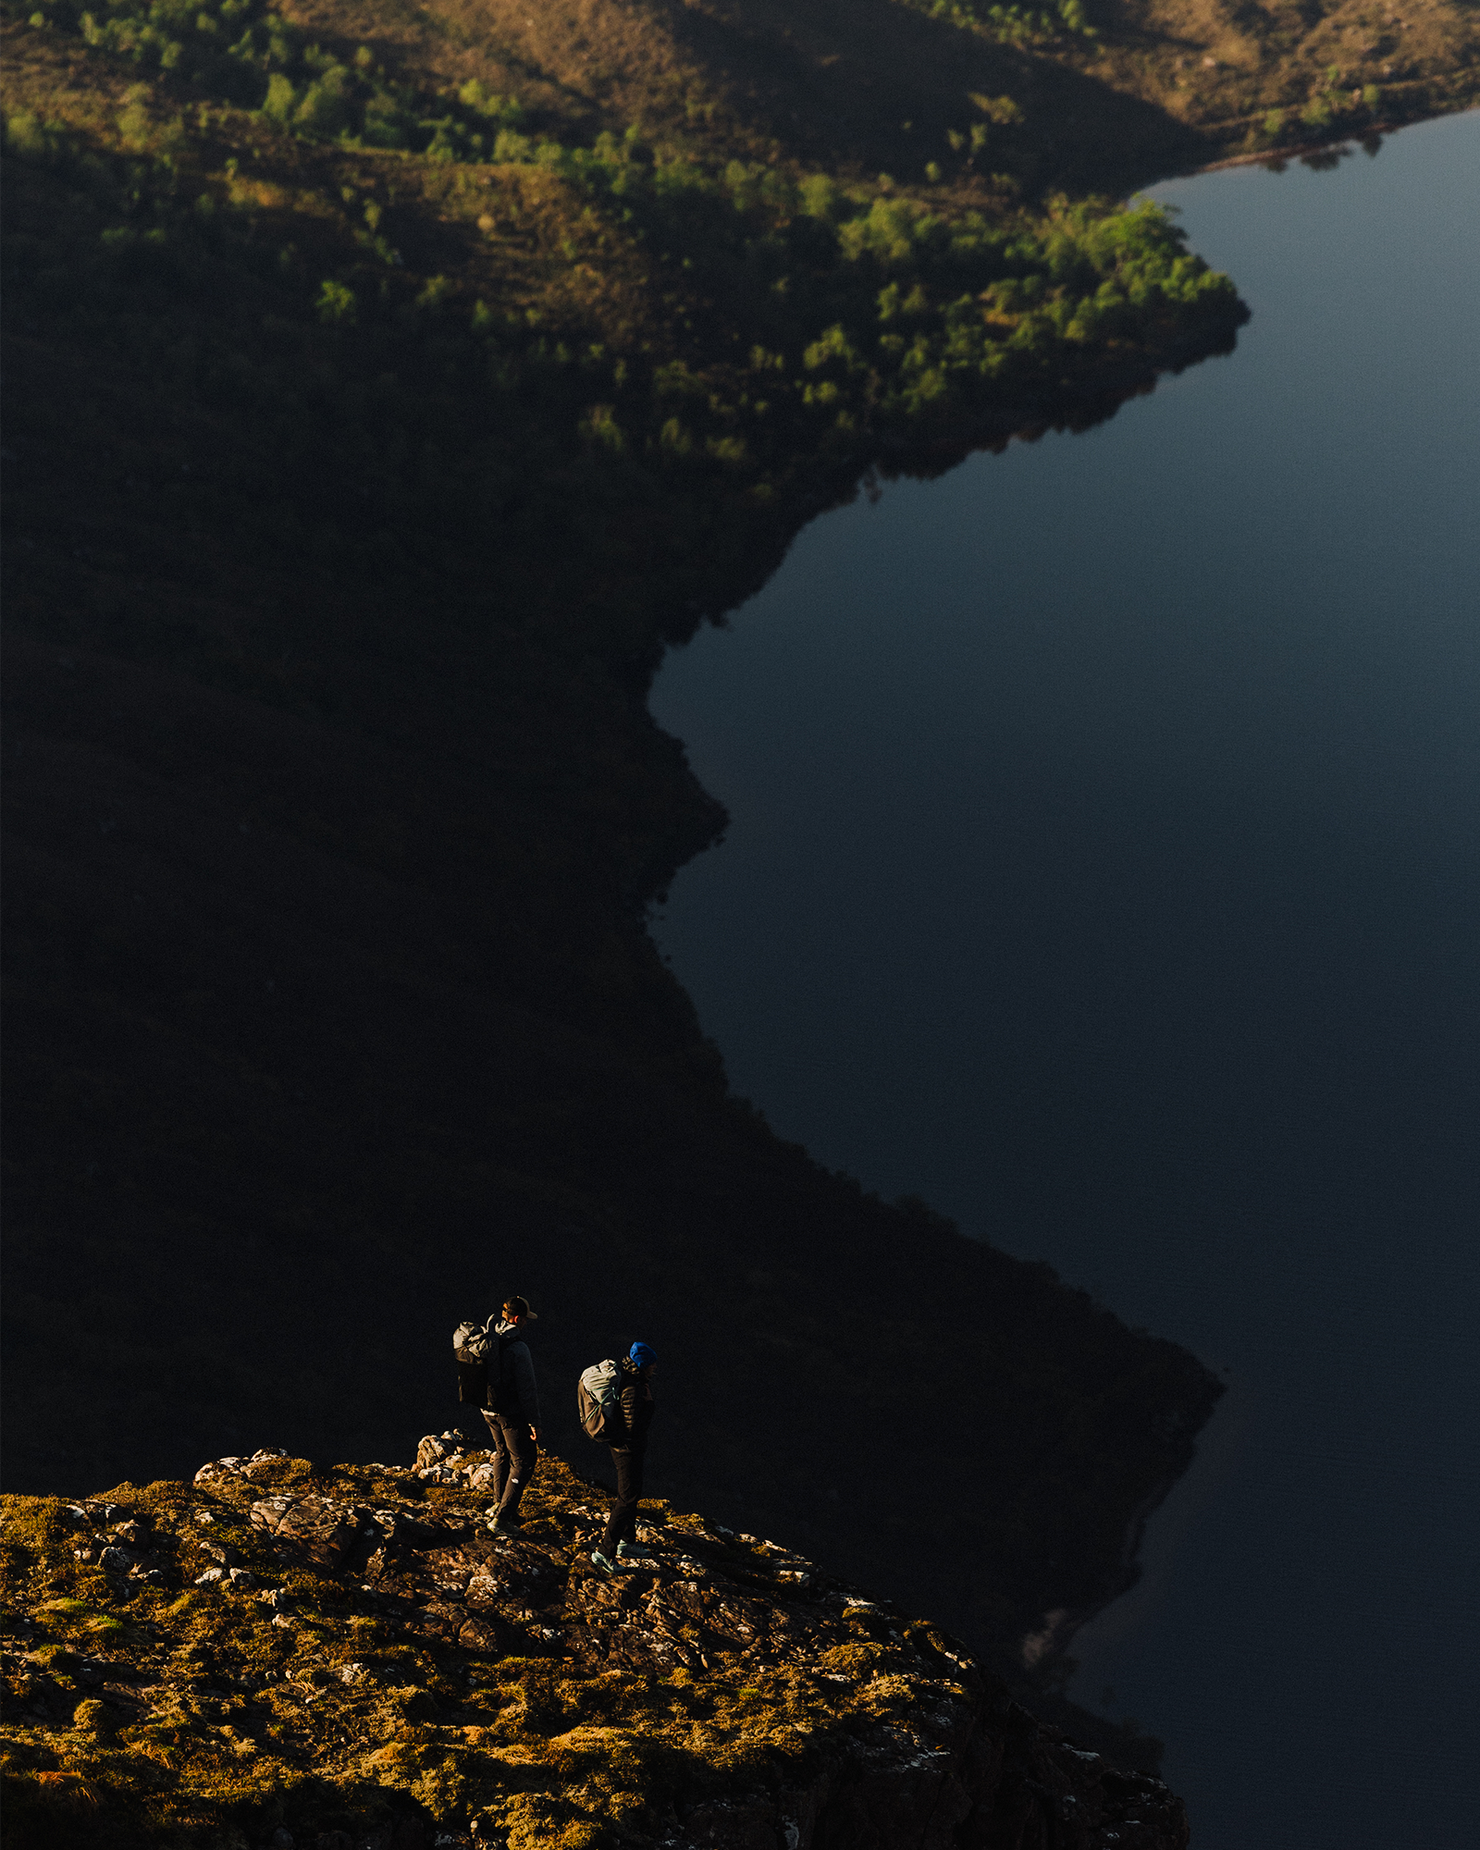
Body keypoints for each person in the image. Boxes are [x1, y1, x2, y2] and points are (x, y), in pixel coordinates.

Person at [591, 1342, 658, 1573]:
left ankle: (626, 1542)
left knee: (631, 1493)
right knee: (627, 1498)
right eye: (651, 1364)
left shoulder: (632, 1380)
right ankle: (605, 1551)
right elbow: (633, 1428)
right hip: (627, 1449)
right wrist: (649, 1406)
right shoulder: (633, 1388)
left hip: (623, 1447)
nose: (654, 1368)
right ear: (643, 1365)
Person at [482, 1295, 541, 1532]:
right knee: (524, 1461)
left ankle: (499, 1503)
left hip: (487, 1408)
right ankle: (502, 1519)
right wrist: (534, 1422)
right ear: (517, 1319)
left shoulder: (488, 1337)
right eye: (525, 1319)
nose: (526, 1323)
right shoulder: (518, 1348)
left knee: (502, 1452)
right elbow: (527, 1390)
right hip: (508, 1413)